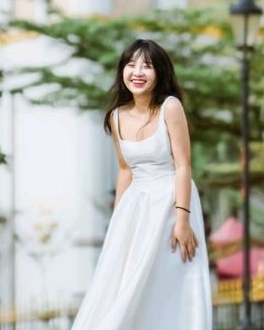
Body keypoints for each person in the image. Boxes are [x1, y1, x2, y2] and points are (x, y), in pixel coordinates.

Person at [71, 38, 212, 329]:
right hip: (136, 206)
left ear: (159, 73)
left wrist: (182, 220)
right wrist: (117, 221)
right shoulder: (116, 116)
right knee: (124, 283)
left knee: (168, 281)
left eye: (146, 66)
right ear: (122, 71)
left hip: (172, 204)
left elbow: (183, 165)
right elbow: (125, 169)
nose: (137, 72)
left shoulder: (170, 108)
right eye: (131, 65)